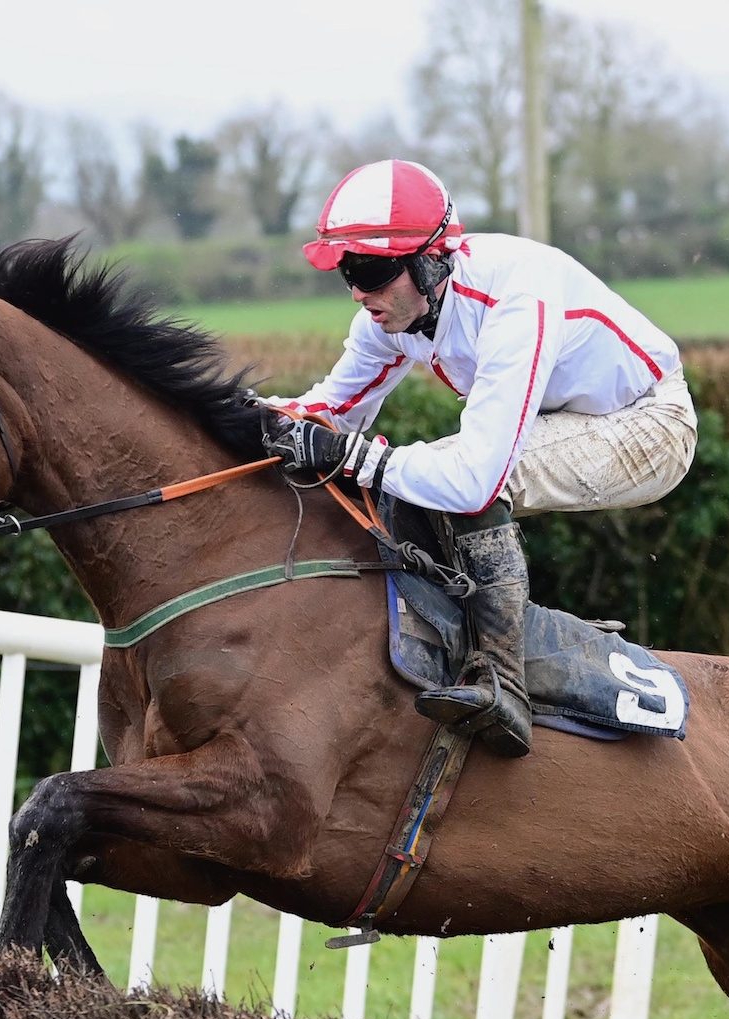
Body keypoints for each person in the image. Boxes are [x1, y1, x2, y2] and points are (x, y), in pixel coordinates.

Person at [263, 159, 696, 758]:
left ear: (432, 259)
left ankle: (503, 682)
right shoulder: (396, 310)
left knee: (458, 480)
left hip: (650, 425)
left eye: (371, 269)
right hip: (568, 417)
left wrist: (356, 456)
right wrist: (238, 417)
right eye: (345, 271)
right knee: (409, 487)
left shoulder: (514, 299)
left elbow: (473, 481)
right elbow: (328, 412)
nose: (360, 292)